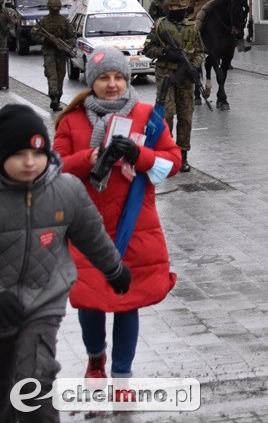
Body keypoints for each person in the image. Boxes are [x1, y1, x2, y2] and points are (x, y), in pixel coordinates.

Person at [53, 47, 179, 382]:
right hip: (86, 228)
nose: (113, 84)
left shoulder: (146, 115)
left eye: (119, 77)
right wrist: (88, 159)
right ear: (92, 81)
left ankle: (122, 373)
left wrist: (141, 155)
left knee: (128, 301)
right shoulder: (73, 119)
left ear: (128, 79)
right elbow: (53, 168)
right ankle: (96, 359)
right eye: (105, 78)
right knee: (89, 299)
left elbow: (173, 162)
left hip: (133, 225)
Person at [0, 104, 131, 422]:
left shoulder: (64, 190)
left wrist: (113, 268)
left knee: (35, 379)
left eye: (38, 153)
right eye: (19, 155)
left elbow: (91, 232)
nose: (30, 163)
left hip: (42, 304)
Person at [143, 0, 205, 173]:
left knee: (186, 117)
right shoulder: (160, 26)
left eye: (178, 6)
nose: (174, 8)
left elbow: (201, 51)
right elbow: (146, 49)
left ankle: (183, 154)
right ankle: (167, 152)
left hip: (186, 79)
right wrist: (164, 52)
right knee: (167, 115)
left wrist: (192, 67)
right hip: (166, 78)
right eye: (171, 5)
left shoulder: (193, 27)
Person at [32, 0, 76, 111]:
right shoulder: (44, 21)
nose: (55, 8)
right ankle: (53, 97)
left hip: (61, 54)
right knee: (51, 75)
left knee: (60, 76)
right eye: (53, 7)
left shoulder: (64, 21)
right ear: (49, 8)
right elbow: (34, 34)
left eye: (57, 6)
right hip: (49, 52)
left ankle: (58, 97)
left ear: (60, 7)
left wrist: (67, 47)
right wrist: (45, 40)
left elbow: (72, 36)